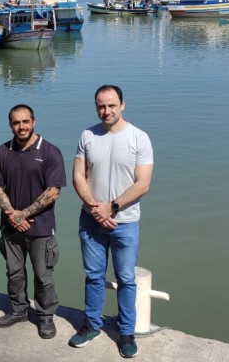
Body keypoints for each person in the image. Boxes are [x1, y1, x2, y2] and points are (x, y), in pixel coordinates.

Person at [69, 85, 154, 359]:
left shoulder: (139, 138)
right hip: (91, 220)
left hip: (125, 222)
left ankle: (126, 332)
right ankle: (92, 324)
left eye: (111, 105)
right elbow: (78, 176)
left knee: (126, 278)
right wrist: (95, 208)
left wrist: (112, 207)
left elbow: (143, 184)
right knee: (93, 276)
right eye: (101, 106)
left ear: (122, 105)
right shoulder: (88, 135)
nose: (106, 111)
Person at [0, 104, 66, 340]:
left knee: (43, 276)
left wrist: (23, 214)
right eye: (16, 122)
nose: (21, 127)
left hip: (41, 228)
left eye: (25, 121)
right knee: (14, 272)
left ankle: (45, 316)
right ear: (10, 125)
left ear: (34, 122)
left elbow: (53, 192)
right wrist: (13, 215)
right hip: (10, 227)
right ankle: (18, 310)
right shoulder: (2, 152)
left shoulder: (50, 152)